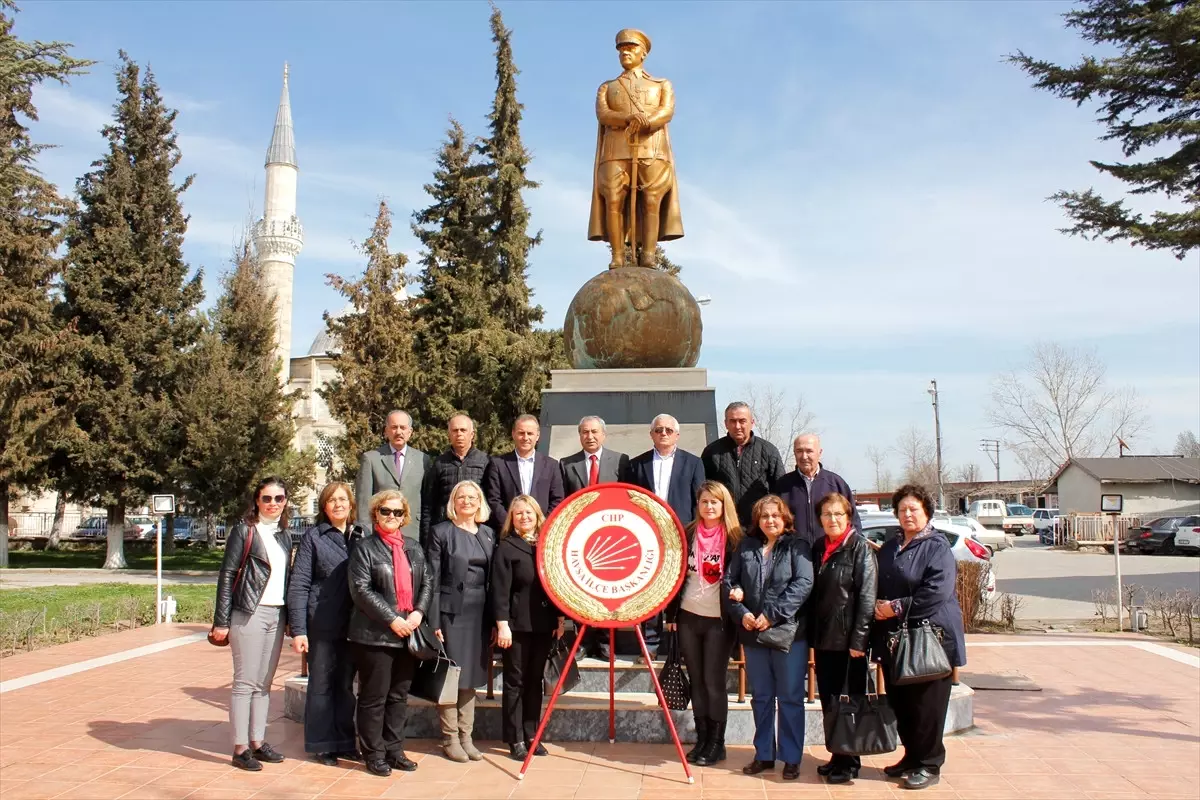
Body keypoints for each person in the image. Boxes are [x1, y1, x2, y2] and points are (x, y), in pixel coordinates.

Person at [871, 484, 965, 791]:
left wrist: (895, 608)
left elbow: (937, 591)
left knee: (928, 706)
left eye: (914, 509)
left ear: (926, 512)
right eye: (902, 510)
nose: (908, 514)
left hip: (930, 637)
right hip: (895, 639)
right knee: (903, 702)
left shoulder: (936, 546)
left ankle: (929, 763)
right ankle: (912, 756)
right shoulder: (889, 547)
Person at [724, 495, 813, 781]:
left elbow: (803, 584)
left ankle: (791, 757)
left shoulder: (797, 546)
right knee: (761, 697)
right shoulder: (747, 546)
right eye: (764, 516)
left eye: (775, 515)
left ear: (785, 518)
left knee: (789, 697)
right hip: (752, 634)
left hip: (787, 635)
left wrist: (772, 615)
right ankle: (764, 753)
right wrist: (740, 610)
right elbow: (730, 580)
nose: (770, 521)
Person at [347, 490, 434, 777]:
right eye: (386, 511)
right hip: (375, 636)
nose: (392, 517)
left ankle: (394, 750)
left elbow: (427, 581)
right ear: (376, 514)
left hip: (408, 633)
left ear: (404, 517)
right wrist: (392, 618)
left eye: (398, 512)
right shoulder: (365, 548)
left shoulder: (413, 547)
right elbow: (361, 590)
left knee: (398, 696)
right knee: (374, 697)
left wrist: (418, 613)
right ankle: (373, 753)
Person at [211, 477, 296, 771]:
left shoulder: (284, 534)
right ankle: (239, 748)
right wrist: (221, 620)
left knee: (264, 683)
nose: (273, 504)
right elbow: (227, 575)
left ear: (285, 502)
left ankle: (258, 743)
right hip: (249, 612)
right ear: (257, 501)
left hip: (277, 614)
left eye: (279, 498)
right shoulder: (245, 530)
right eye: (267, 498)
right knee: (245, 682)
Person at [587, 27, 684, 267]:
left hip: (652, 149)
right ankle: (618, 256)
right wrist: (627, 119)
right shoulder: (607, 87)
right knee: (613, 200)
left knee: (652, 200)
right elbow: (603, 113)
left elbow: (667, 110)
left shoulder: (661, 85)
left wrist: (648, 122)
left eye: (631, 48)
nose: (625, 53)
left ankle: (649, 255)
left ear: (644, 53)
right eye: (621, 49)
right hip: (615, 149)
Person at [287, 482, 366, 766]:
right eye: (332, 500)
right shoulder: (314, 537)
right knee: (321, 684)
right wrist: (298, 629)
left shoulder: (360, 535)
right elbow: (299, 584)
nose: (338, 504)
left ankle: (344, 741)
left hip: (354, 623)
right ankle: (322, 743)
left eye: (343, 499)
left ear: (351, 505)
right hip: (322, 620)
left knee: (345, 685)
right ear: (324, 506)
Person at [664, 481, 742, 767]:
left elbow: (743, 575)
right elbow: (675, 574)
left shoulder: (735, 538)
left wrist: (741, 592)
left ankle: (717, 743)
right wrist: (671, 615)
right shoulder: (688, 533)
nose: (709, 507)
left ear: (724, 505)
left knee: (713, 681)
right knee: (697, 680)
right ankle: (702, 738)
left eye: (715, 502)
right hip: (688, 615)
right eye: (704, 501)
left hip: (718, 620)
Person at [492, 495, 566, 761]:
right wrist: (502, 625)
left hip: (543, 624)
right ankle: (515, 738)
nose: (524, 517)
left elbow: (556, 584)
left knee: (536, 682)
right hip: (516, 626)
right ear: (512, 519)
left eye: (529, 513)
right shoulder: (506, 548)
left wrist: (560, 619)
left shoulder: (547, 546)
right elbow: (500, 592)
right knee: (516, 682)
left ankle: (532, 733)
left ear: (538, 516)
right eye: (519, 513)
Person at [425, 480, 495, 763]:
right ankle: (450, 737)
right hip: (451, 614)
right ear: (453, 503)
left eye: (472, 497)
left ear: (480, 503)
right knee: (451, 677)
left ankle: (467, 737)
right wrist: (434, 620)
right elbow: (432, 577)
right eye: (461, 497)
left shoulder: (489, 534)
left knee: (471, 677)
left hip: (480, 614)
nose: (467, 501)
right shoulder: (441, 532)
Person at [810, 492, 877, 785]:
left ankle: (850, 760)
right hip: (825, 637)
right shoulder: (818, 547)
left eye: (838, 514)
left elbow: (866, 598)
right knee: (831, 700)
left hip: (849, 641)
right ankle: (838, 754)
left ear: (848, 517)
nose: (832, 519)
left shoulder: (860, 548)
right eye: (827, 514)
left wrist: (859, 642)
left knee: (850, 701)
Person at [628, 413, 704, 656]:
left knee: (678, 586)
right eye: (658, 429)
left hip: (681, 535)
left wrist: (695, 534)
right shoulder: (637, 464)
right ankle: (649, 643)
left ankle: (676, 644)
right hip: (647, 535)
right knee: (649, 587)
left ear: (677, 435)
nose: (663, 433)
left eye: (669, 430)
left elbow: (698, 502)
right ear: (651, 434)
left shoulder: (693, 463)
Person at [701, 402, 786, 528]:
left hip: (759, 527)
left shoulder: (768, 451)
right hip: (723, 526)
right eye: (733, 421)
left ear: (752, 422)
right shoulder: (712, 452)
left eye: (742, 421)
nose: (737, 426)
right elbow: (703, 490)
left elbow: (780, 491)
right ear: (726, 424)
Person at [355, 410, 431, 542]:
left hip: (413, 533)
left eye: (403, 427)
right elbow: (363, 503)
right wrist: (366, 535)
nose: (399, 432)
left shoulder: (423, 460)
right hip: (380, 534)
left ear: (410, 431)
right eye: (394, 427)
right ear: (386, 431)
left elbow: (427, 501)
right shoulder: (371, 459)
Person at [773, 433, 860, 546]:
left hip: (830, 555)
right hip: (794, 555)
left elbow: (853, 522)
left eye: (809, 451)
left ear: (820, 452)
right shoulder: (782, 486)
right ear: (794, 453)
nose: (804, 456)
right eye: (799, 451)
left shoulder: (836, 484)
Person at [484, 414, 565, 528]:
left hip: (541, 532)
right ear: (513, 434)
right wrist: (510, 525)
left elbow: (557, 499)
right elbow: (494, 499)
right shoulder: (498, 464)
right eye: (521, 433)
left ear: (537, 436)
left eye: (530, 433)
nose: (525, 438)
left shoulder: (551, 465)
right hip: (509, 533)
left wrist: (542, 525)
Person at [421, 413, 490, 543]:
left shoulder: (485, 462)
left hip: (475, 530)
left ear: (472, 434)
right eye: (455, 430)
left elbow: (489, 500)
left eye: (463, 430)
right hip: (445, 531)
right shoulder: (439, 463)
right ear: (449, 435)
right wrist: (427, 538)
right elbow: (428, 505)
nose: (459, 434)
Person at [561, 415, 630, 494]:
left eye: (594, 431)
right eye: (585, 432)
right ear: (580, 435)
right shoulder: (566, 464)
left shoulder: (619, 461)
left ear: (603, 435)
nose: (590, 437)